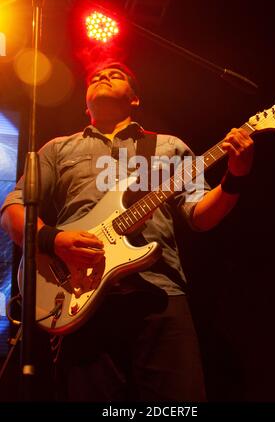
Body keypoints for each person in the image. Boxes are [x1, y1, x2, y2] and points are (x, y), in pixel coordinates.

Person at [0, 60, 254, 402]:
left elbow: (200, 217)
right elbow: (13, 209)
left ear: (134, 99)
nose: (103, 76)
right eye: (95, 77)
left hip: (160, 294)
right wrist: (54, 240)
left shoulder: (169, 147)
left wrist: (234, 177)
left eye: (115, 75)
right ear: (85, 102)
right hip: (80, 299)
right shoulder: (58, 149)